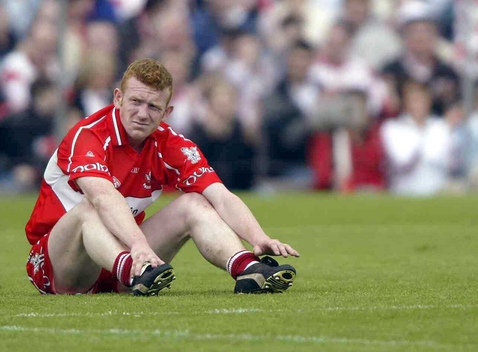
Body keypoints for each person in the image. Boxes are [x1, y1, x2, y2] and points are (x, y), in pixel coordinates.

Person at [24, 58, 298, 296]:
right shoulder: (88, 136)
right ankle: (136, 269)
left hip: (125, 257)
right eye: (135, 102)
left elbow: (220, 195)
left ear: (167, 112)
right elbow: (103, 197)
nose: (143, 114)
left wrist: (257, 236)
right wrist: (139, 247)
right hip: (59, 266)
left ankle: (247, 267)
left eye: (154, 107)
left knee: (194, 202)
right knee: (90, 207)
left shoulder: (171, 143)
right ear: (118, 98)